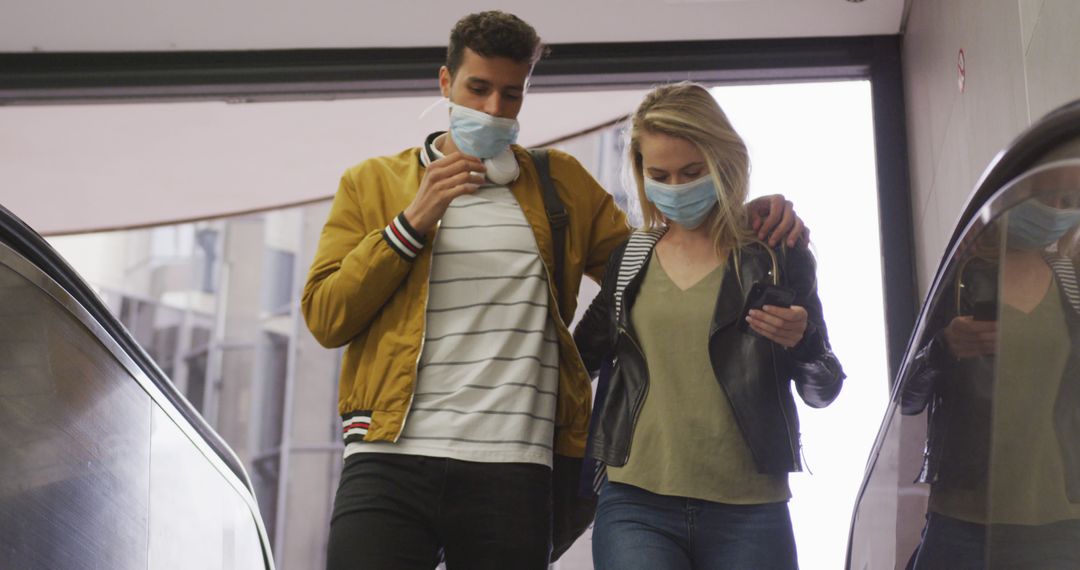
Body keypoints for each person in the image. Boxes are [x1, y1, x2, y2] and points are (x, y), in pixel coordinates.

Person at [301, 13, 806, 570]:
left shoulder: (558, 182)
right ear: (445, 82)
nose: (494, 108)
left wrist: (746, 214)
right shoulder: (370, 183)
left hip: (514, 464)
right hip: (389, 454)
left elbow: (658, 258)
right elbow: (327, 317)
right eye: (478, 88)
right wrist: (412, 221)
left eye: (511, 94)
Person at [573, 82, 845, 570]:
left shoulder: (774, 254)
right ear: (640, 173)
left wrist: (801, 341)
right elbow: (576, 364)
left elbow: (824, 387)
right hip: (635, 499)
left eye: (692, 172)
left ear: (722, 162)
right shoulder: (631, 259)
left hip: (749, 508)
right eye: (660, 174)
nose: (676, 188)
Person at [901, 190, 1080, 569]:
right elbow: (908, 397)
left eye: (1070, 201)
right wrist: (944, 346)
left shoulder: (1070, 280)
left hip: (1060, 518)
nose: (1057, 211)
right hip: (963, 516)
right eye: (1051, 196)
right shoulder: (958, 278)